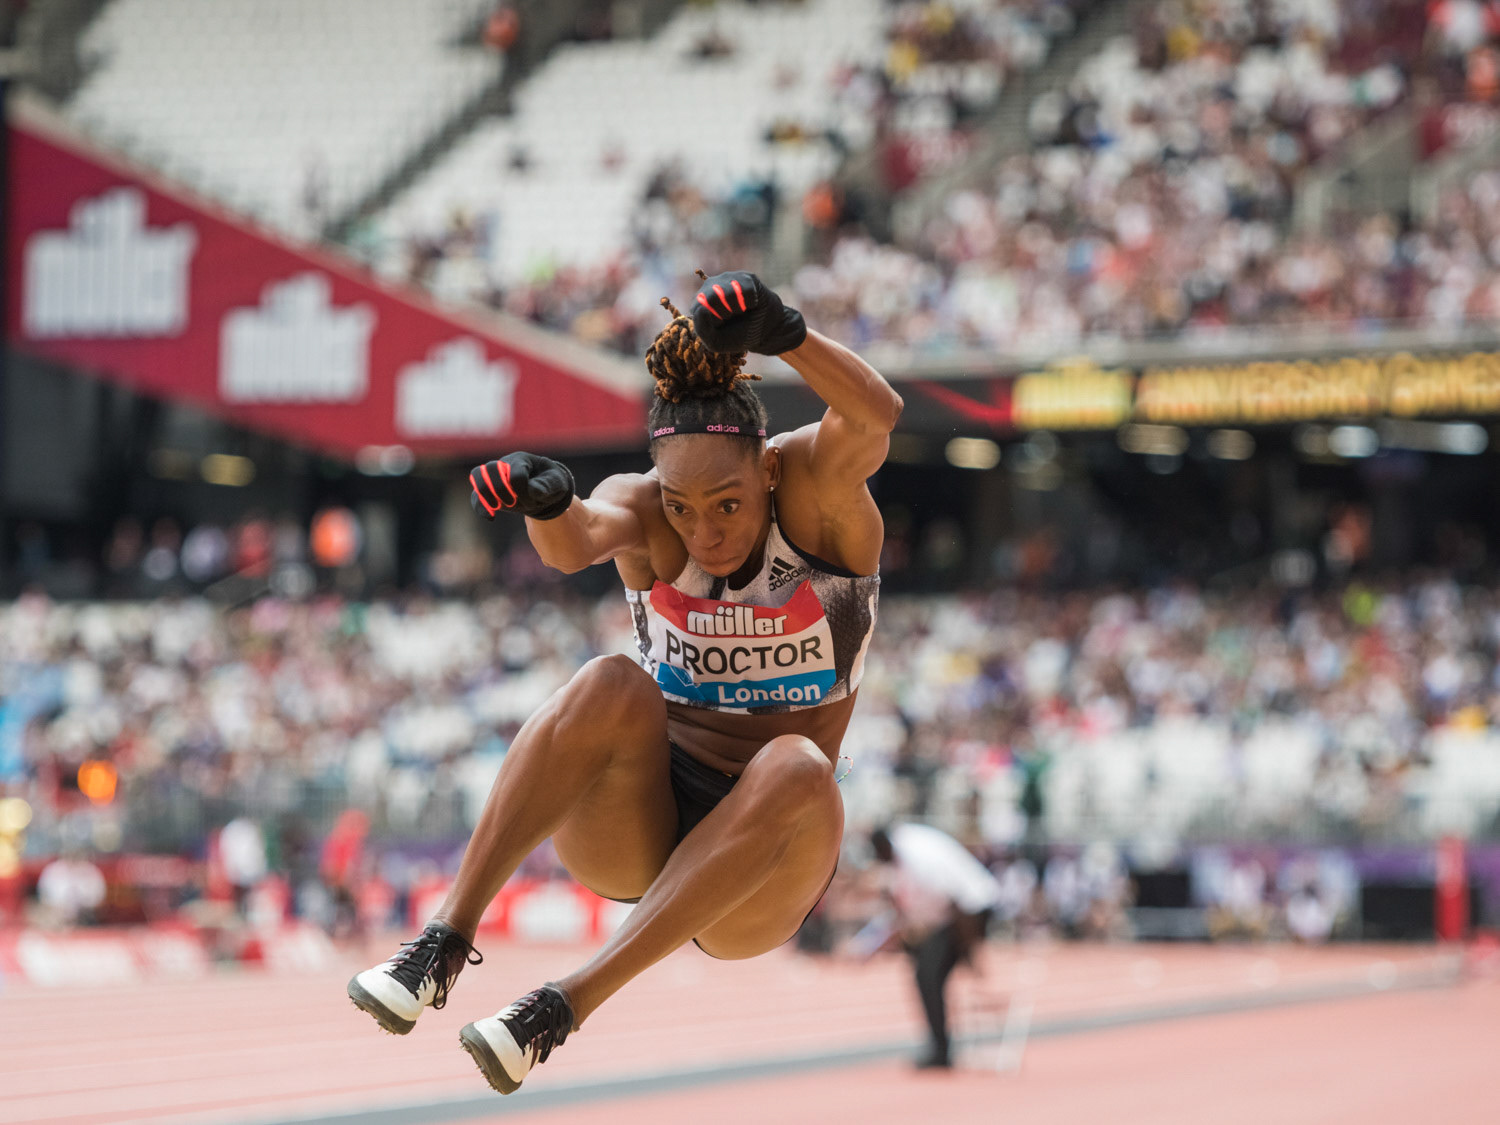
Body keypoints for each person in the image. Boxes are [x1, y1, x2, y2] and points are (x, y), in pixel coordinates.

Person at [348, 270, 902, 1094]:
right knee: (612, 679)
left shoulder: (818, 490)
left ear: (770, 476)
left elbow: (876, 415)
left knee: (795, 762)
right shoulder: (642, 506)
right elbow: (576, 542)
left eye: (726, 504)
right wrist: (545, 503)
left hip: (762, 856)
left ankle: (559, 1008)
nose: (704, 533)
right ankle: (441, 943)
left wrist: (785, 332)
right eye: (682, 507)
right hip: (643, 822)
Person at [868, 822, 1001, 1069]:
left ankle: (941, 1051)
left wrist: (971, 950)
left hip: (972, 910)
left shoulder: (921, 861)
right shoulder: (901, 847)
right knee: (927, 974)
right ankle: (940, 1047)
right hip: (953, 914)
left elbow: (958, 903)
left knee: (928, 975)